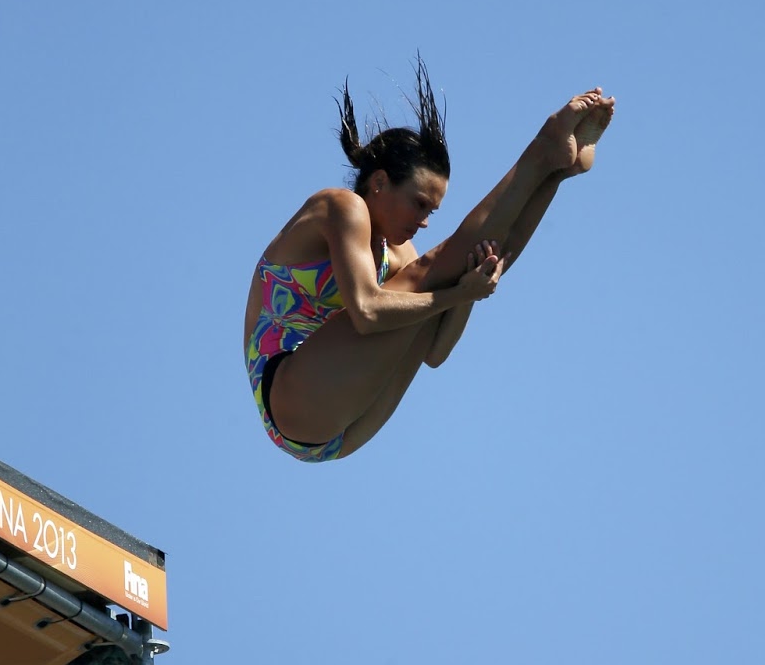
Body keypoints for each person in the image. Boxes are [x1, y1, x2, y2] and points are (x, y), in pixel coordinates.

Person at [244, 58, 614, 461]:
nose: (423, 222)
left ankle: (556, 174)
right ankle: (541, 152)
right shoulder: (341, 207)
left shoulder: (396, 254)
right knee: (432, 278)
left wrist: (469, 289)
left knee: (456, 272)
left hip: (340, 434)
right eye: (419, 204)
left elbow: (435, 352)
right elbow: (366, 312)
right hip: (290, 397)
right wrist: (458, 296)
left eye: (431, 212)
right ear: (380, 182)